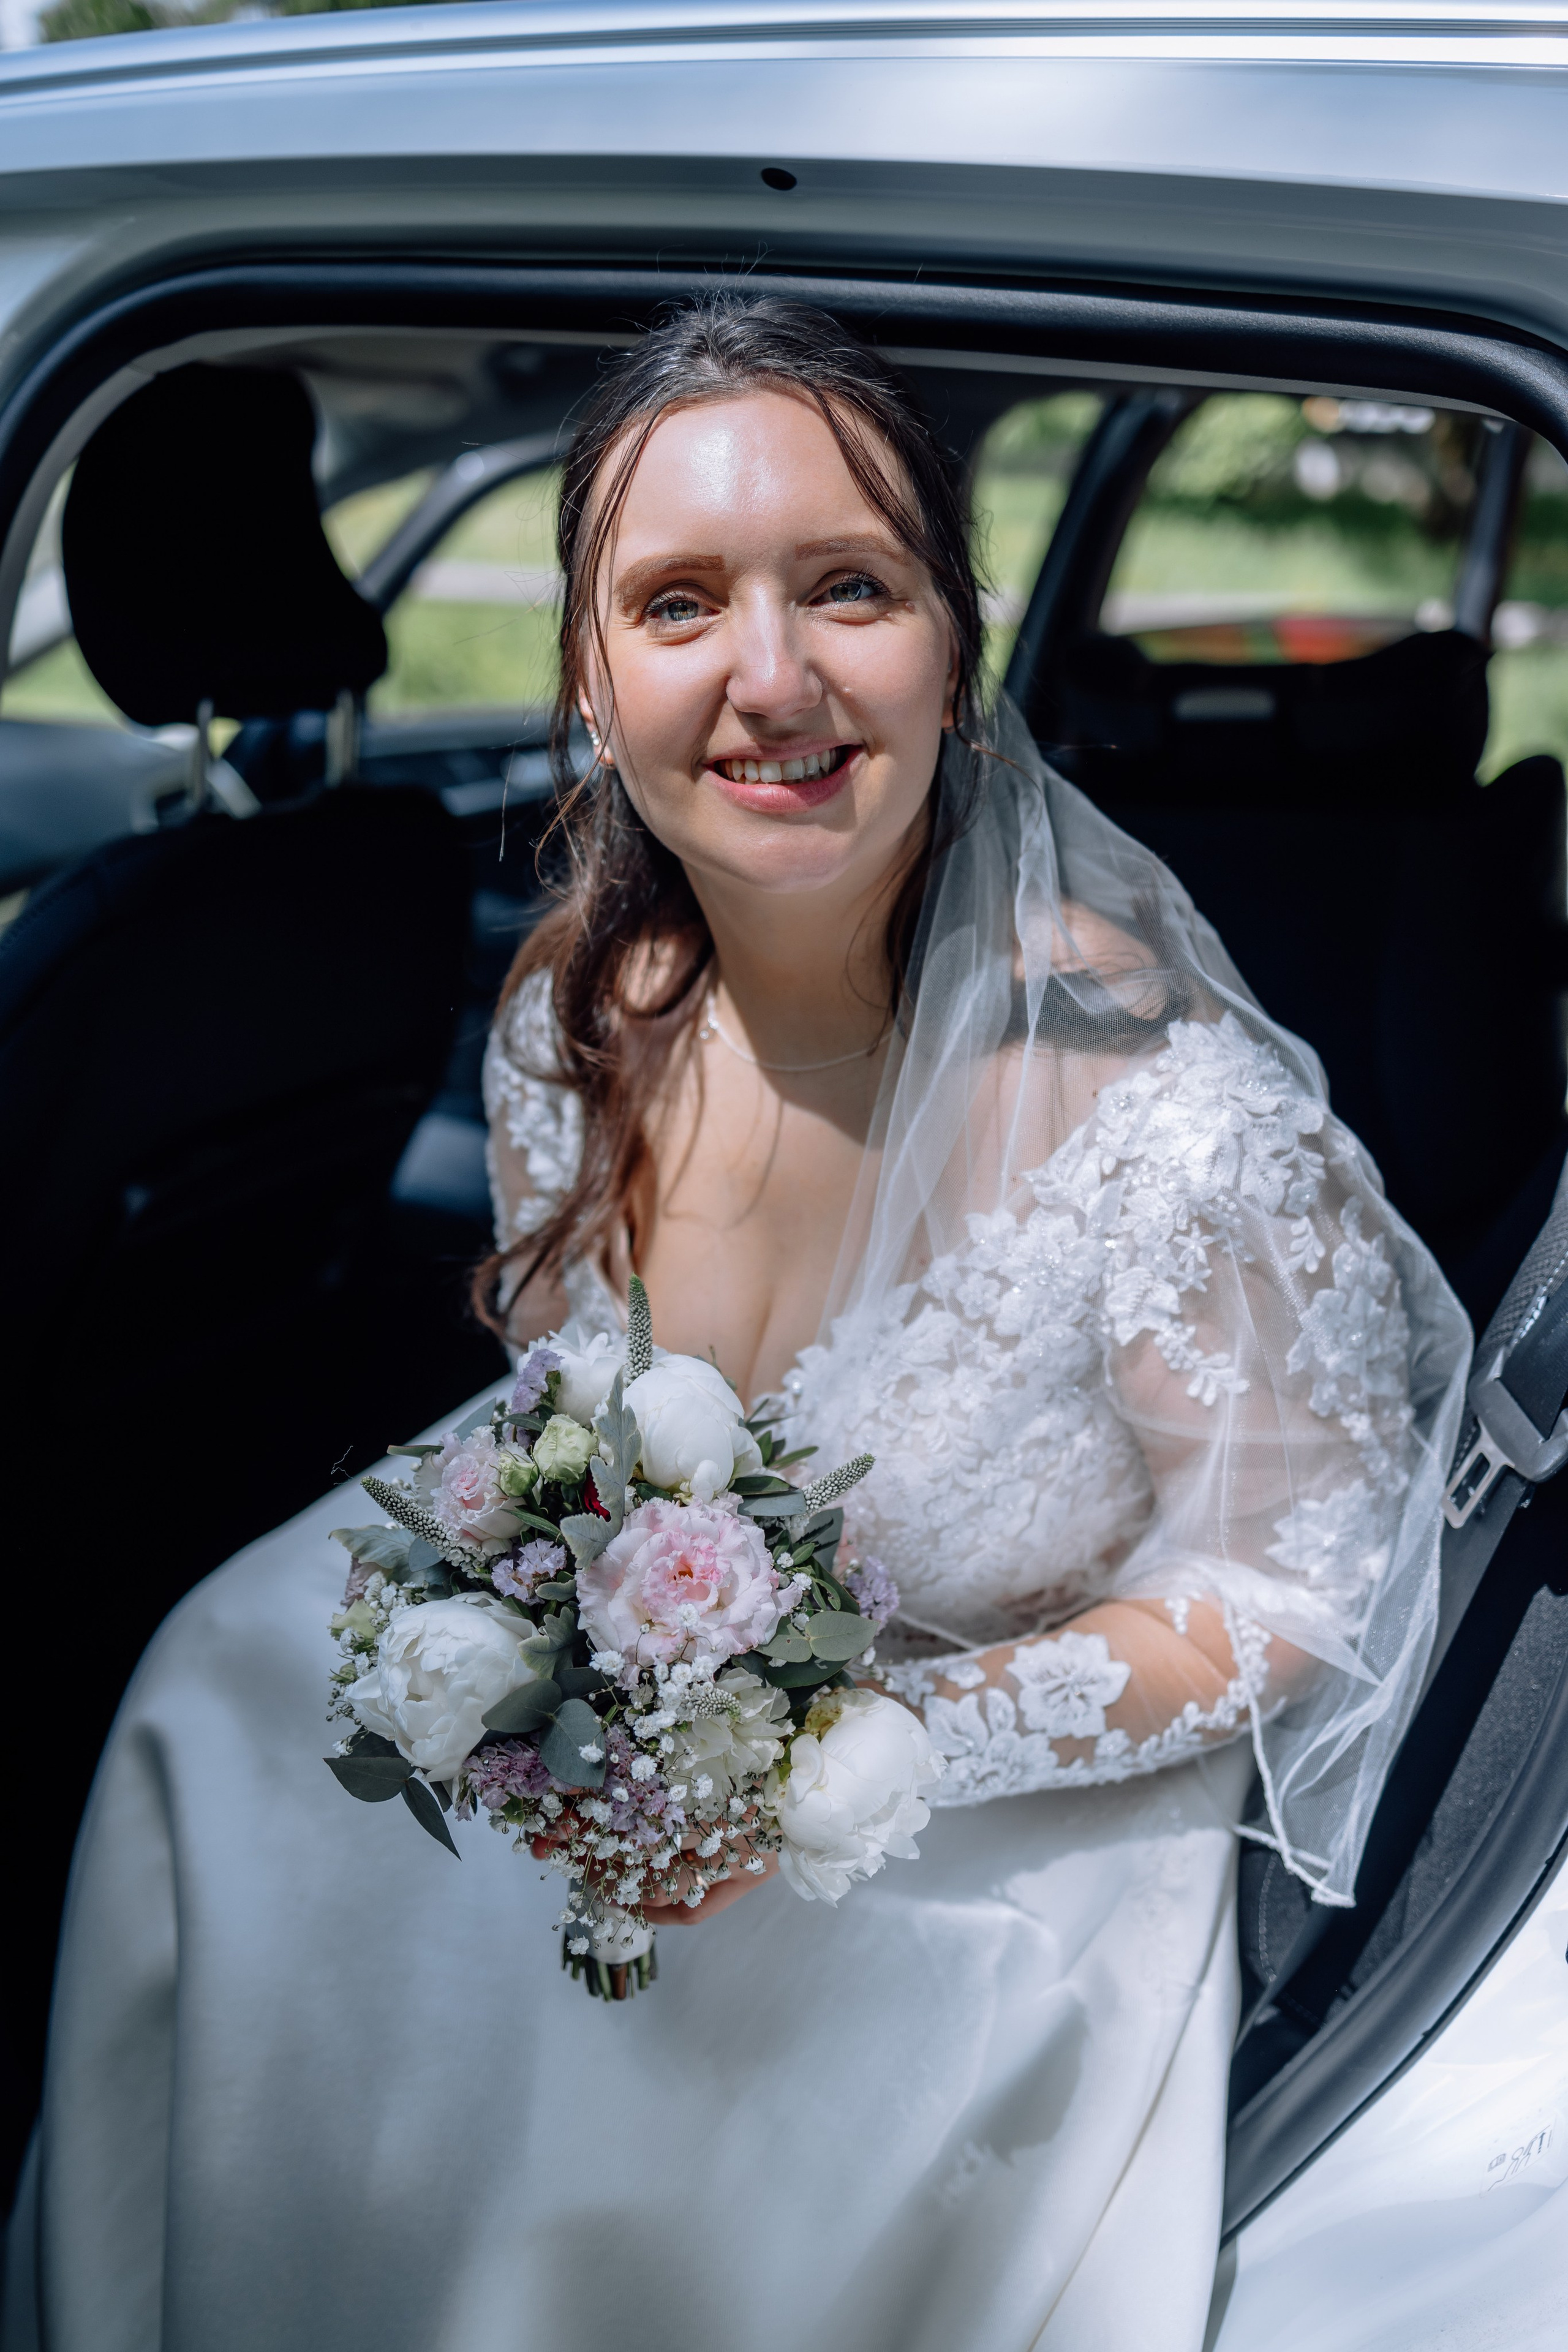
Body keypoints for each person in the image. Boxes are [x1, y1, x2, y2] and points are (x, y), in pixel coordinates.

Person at [9, 298, 1468, 2352]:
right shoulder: (571, 1024)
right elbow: (563, 1406)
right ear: (593, 688)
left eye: (848, 590)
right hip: (641, 1758)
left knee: (558, 2071)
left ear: (955, 653)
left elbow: (1302, 1584)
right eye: (679, 603)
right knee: (222, 1705)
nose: (770, 678)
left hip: (982, 1846)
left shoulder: (1174, 1129)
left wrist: (869, 1753)